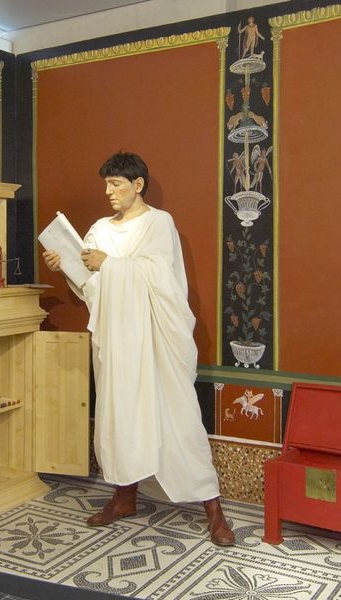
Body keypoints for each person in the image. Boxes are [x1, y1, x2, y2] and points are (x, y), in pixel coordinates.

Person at [42, 151, 235, 546]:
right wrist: (66, 266)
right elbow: (89, 286)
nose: (108, 191)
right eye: (106, 184)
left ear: (138, 184)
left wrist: (109, 264)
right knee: (120, 417)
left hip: (155, 341)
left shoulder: (159, 223)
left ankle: (213, 510)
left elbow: (163, 277)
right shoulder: (99, 229)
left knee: (178, 419)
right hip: (117, 341)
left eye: (116, 184)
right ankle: (123, 497)